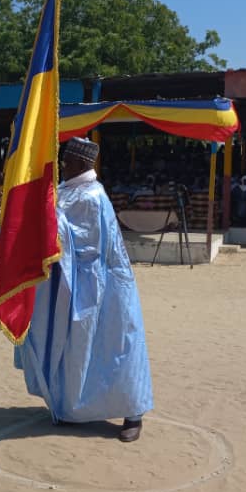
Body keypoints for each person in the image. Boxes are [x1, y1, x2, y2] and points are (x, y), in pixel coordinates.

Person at [14, 138, 153, 443]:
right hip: (72, 281)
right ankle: (73, 409)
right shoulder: (68, 191)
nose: (62, 166)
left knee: (116, 347)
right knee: (77, 350)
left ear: (81, 163)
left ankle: (133, 413)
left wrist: (48, 223)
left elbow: (86, 245)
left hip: (103, 286)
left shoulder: (92, 196)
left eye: (66, 161)